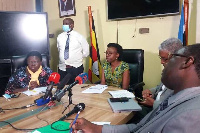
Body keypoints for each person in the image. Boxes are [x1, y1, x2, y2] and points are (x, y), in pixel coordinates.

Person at [71, 43, 200, 133]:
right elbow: (139, 127)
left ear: (187, 62)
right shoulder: (175, 96)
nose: (163, 63)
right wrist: (96, 128)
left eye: (172, 58)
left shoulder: (191, 116)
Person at [132, 37, 183, 123]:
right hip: (153, 107)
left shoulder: (183, 77)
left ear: (176, 57)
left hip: (161, 115)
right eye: (161, 58)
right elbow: (160, 88)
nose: (162, 62)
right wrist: (150, 91)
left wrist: (153, 103)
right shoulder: (168, 70)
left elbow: (175, 108)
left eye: (165, 59)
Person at [57, 18, 89, 84]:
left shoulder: (79, 37)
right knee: (62, 88)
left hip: (76, 68)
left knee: (76, 89)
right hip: (62, 68)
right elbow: (59, 49)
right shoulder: (60, 37)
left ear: (71, 25)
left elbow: (86, 51)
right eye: (63, 24)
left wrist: (76, 57)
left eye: (66, 24)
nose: (64, 25)